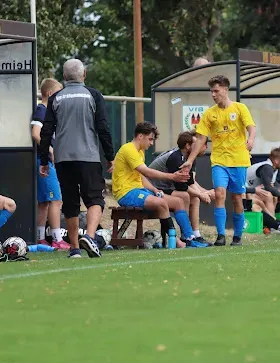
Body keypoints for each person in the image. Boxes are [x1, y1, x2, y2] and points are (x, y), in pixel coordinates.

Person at [39, 59, 115, 258]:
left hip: (63, 158)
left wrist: (44, 160)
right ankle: (89, 237)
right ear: (84, 74)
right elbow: (103, 128)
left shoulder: (56, 98)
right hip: (88, 156)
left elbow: (46, 131)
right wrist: (110, 156)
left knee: (70, 203)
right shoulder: (94, 95)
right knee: (95, 199)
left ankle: (74, 249)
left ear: (64, 77)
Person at [180, 75, 256, 246]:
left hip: (239, 160)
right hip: (219, 161)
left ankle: (237, 236)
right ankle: (221, 236)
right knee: (220, 193)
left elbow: (251, 127)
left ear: (225, 90)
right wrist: (190, 161)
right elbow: (200, 139)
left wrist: (251, 139)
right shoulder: (209, 114)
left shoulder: (240, 108)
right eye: (211, 91)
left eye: (216, 91)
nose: (213, 94)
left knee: (237, 198)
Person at [112, 122, 208, 248]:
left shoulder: (139, 151)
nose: (151, 143)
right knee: (162, 203)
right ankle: (177, 242)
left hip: (140, 190)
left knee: (178, 202)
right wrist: (172, 176)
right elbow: (147, 172)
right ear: (140, 136)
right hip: (126, 193)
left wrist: (154, 189)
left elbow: (140, 176)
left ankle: (189, 238)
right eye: (150, 139)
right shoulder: (128, 149)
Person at [149, 131, 214, 245]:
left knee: (194, 198)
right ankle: (186, 236)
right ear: (188, 146)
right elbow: (182, 186)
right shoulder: (175, 157)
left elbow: (190, 182)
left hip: (165, 188)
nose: (203, 146)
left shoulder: (189, 158)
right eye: (197, 143)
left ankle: (195, 234)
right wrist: (201, 194)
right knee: (185, 195)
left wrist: (205, 193)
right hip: (153, 189)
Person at [30, 78, 69, 250]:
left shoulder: (48, 112)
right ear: (51, 94)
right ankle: (56, 238)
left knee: (45, 201)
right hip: (44, 161)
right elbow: (36, 133)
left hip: (44, 160)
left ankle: (40, 238)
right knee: (56, 199)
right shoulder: (42, 110)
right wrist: (49, 151)